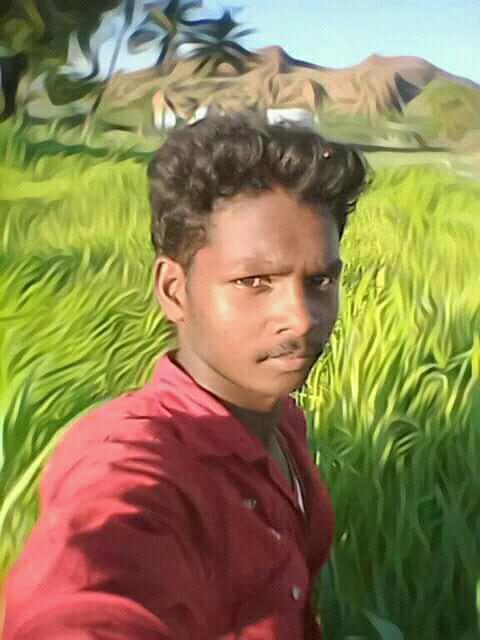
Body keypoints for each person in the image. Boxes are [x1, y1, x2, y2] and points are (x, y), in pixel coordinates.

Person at [2, 111, 368, 639]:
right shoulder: (130, 460)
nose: (302, 318)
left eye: (320, 281)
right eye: (254, 281)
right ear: (174, 290)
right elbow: (86, 592)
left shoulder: (281, 422)